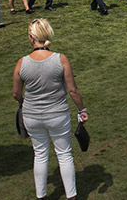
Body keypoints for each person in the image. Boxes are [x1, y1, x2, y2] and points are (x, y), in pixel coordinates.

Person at [13, 19, 87, 200]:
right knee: (64, 155)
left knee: (40, 154)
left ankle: (41, 196)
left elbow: (16, 93)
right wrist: (81, 109)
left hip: (31, 116)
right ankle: (71, 196)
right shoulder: (60, 59)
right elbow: (72, 90)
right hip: (57, 115)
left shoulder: (21, 63)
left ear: (31, 37)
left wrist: (24, 102)